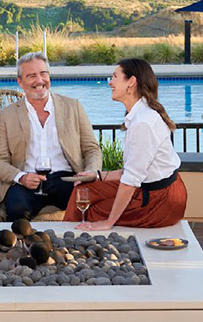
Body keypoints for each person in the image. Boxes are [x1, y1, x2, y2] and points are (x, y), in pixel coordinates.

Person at [66, 58, 187, 229]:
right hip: (152, 191)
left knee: (92, 212)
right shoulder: (139, 115)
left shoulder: (143, 122)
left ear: (131, 82)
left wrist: (108, 222)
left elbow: (131, 179)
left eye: (115, 77)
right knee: (84, 190)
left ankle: (74, 243)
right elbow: (132, 171)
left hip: (160, 202)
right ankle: (67, 239)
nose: (110, 83)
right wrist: (97, 176)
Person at [0, 51, 103, 221]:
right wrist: (21, 177)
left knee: (89, 204)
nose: (39, 80)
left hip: (65, 178)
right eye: (31, 76)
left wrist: (90, 171)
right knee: (16, 209)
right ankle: (21, 247)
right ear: (20, 82)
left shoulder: (73, 107)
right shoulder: (7, 115)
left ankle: (83, 245)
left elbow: (92, 149)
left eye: (43, 74)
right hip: (26, 180)